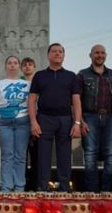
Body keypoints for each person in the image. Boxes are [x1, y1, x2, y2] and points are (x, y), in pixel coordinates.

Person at [28, 43, 81, 191]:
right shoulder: (39, 76)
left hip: (65, 120)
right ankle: (43, 189)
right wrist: (33, 122)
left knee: (64, 156)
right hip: (44, 119)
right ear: (48, 55)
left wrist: (77, 123)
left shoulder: (71, 76)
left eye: (60, 52)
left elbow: (76, 101)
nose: (57, 54)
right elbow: (32, 100)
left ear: (64, 55)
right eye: (54, 51)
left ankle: (64, 189)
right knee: (43, 157)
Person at [78, 44, 112, 191]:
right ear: (90, 55)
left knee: (111, 154)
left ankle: (107, 191)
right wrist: (80, 121)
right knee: (90, 154)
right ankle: (92, 192)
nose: (99, 55)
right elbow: (76, 100)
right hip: (90, 117)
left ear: (106, 56)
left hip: (111, 118)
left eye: (102, 53)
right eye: (96, 53)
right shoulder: (82, 74)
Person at [0, 56, 31, 192]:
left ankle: (19, 189)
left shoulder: (27, 84)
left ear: (19, 66)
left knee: (20, 156)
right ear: (6, 66)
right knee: (7, 156)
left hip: (23, 123)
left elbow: (33, 104)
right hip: (4, 123)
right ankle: (6, 189)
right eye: (9, 63)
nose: (12, 65)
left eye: (15, 63)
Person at [21, 57, 38, 191]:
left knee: (37, 155)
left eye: (30, 64)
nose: (27, 67)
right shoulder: (18, 84)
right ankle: (23, 186)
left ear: (34, 67)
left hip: (38, 121)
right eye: (25, 65)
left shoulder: (40, 82)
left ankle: (35, 185)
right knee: (22, 156)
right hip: (22, 120)